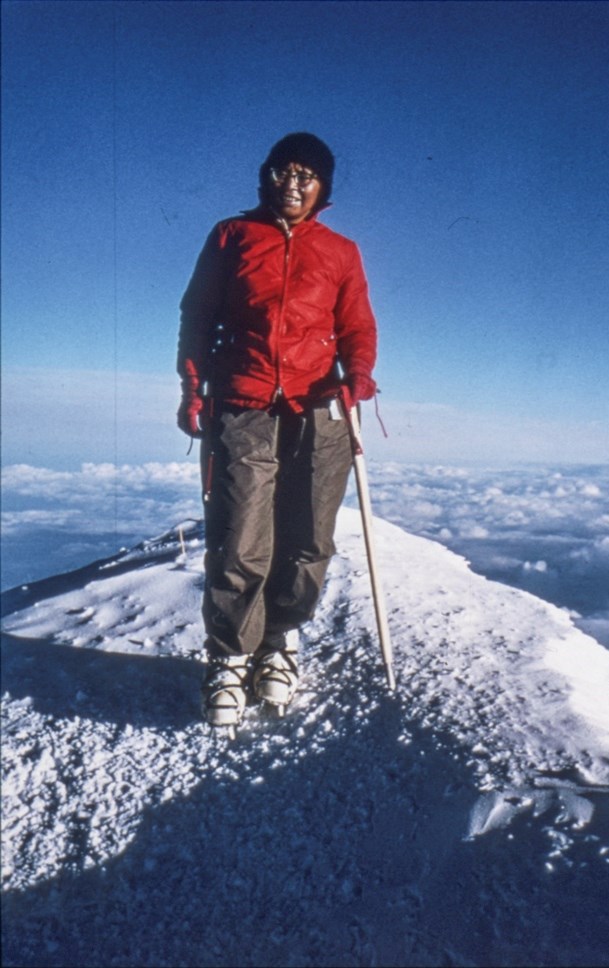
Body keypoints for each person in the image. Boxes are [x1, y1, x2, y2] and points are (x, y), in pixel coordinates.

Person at [176, 132, 378, 730]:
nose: (293, 184)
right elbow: (197, 316)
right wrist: (193, 387)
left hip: (320, 409)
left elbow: (357, 327)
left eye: (307, 175)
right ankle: (230, 656)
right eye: (282, 172)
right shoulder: (231, 237)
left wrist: (358, 379)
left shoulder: (341, 251)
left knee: (309, 539)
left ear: (323, 189)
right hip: (243, 402)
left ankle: (280, 642)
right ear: (265, 176)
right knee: (239, 536)